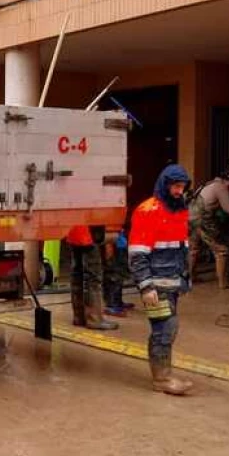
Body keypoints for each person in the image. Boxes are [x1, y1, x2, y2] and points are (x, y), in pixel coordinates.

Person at [129, 164, 194, 396]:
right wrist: (146, 286)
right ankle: (162, 379)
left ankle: (163, 375)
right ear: (165, 185)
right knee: (165, 329)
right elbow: (138, 254)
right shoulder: (148, 211)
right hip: (156, 284)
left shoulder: (179, 210)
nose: (179, 191)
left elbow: (180, 246)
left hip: (172, 281)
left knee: (167, 329)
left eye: (182, 187)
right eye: (176, 186)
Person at [188, 167, 229, 289]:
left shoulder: (208, 184)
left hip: (190, 218)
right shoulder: (220, 186)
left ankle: (190, 278)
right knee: (221, 250)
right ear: (228, 180)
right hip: (203, 221)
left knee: (193, 249)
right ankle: (224, 283)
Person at [67, 225, 119, 331]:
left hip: (73, 232)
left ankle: (79, 316)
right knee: (93, 277)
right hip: (89, 233)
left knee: (77, 273)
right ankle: (94, 318)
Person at [103, 229, 135, 317]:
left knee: (120, 271)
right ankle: (111, 304)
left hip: (120, 240)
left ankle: (117, 301)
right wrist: (108, 244)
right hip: (114, 240)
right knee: (113, 272)